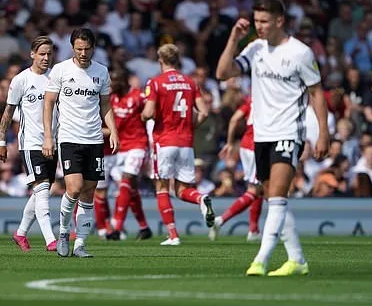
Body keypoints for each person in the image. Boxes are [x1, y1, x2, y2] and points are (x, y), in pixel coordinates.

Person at [216, 0, 329, 276]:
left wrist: (324, 133)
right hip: (261, 134)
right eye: (256, 21)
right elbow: (222, 73)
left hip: (288, 132)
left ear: (280, 21)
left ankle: (260, 260)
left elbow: (317, 93)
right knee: (272, 198)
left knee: (276, 196)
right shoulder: (255, 49)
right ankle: (297, 260)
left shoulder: (300, 53)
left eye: (264, 21)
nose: (259, 26)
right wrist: (234, 39)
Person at [42, 28, 119, 258]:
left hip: (94, 138)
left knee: (88, 193)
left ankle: (80, 244)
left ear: (93, 48)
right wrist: (48, 135)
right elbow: (48, 104)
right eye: (78, 49)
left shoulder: (102, 72)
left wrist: (113, 131)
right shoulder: (61, 70)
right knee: (73, 188)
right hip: (69, 138)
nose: (83, 53)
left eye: (86, 49)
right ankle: (64, 232)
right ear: (72, 48)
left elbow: (105, 105)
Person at [142, 44, 213, 246]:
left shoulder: (156, 83)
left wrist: (143, 116)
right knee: (182, 190)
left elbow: (147, 113)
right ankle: (201, 198)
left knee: (162, 188)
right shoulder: (191, 82)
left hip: (164, 140)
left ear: (160, 60)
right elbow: (205, 112)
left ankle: (173, 235)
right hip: (186, 142)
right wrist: (192, 128)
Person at [0, 36, 58, 252]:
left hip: (53, 141)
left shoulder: (56, 77)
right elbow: (8, 111)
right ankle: (51, 239)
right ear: (32, 54)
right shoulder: (21, 80)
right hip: (31, 143)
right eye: (42, 54)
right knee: (41, 188)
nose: (46, 58)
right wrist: (2, 140)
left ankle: (20, 233)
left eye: (49, 54)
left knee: (43, 191)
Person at [105, 69, 152, 241]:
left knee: (125, 181)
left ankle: (117, 227)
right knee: (129, 189)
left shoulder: (138, 96)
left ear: (123, 81)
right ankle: (144, 227)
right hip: (119, 149)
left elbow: (152, 110)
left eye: (114, 81)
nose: (111, 85)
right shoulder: (111, 99)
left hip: (138, 146)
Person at [209, 96, 263, 242]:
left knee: (259, 188)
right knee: (255, 189)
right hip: (258, 146)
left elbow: (234, 119)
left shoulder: (252, 100)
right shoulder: (272, 98)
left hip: (246, 146)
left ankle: (253, 230)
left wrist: (230, 142)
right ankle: (221, 220)